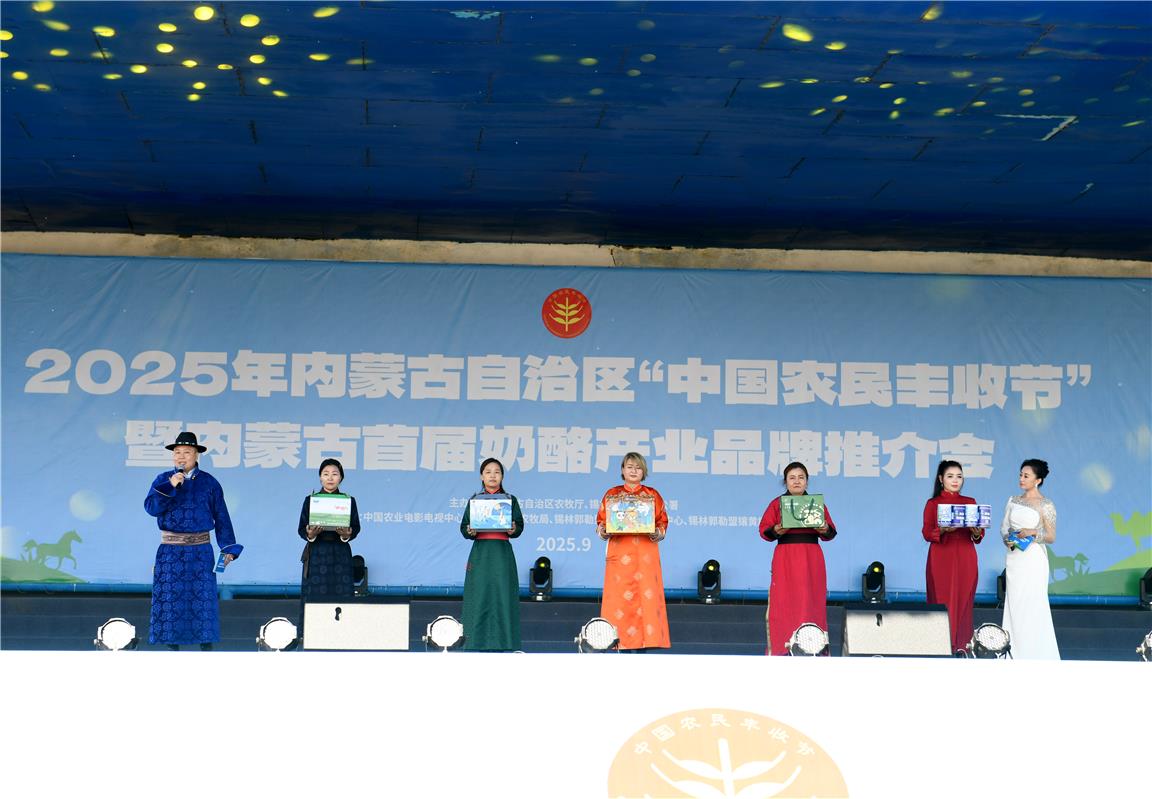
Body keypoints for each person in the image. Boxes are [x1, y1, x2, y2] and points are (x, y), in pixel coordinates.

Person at [144, 431, 242, 650]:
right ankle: (172, 648)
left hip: (200, 551)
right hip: (171, 551)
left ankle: (206, 648)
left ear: (197, 454)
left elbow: (221, 516)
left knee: (202, 600)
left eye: (187, 452)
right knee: (171, 601)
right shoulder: (162, 480)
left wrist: (228, 548)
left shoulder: (209, 482)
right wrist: (170, 486)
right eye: (177, 452)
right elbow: (151, 509)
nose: (181, 456)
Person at [758, 462, 837, 656]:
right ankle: (781, 650)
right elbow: (764, 531)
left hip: (811, 557)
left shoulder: (816, 505)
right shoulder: (777, 504)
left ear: (807, 482)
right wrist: (778, 529)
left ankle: (814, 649)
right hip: (786, 556)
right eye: (792, 478)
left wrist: (824, 528)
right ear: (785, 482)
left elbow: (831, 532)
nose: (797, 481)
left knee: (812, 601)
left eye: (801, 477)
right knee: (783, 602)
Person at [596, 452, 670, 651]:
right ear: (622, 470)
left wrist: (657, 532)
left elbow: (663, 522)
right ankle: (618, 643)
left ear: (644, 471)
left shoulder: (652, 495)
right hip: (620, 553)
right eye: (630, 467)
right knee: (619, 600)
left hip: (645, 554)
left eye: (638, 467)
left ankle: (646, 643)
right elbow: (601, 522)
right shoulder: (612, 494)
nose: (634, 471)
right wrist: (604, 530)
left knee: (646, 598)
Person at [459, 458, 524, 651]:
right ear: (482, 476)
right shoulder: (475, 500)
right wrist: (470, 531)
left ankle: (506, 644)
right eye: (488, 472)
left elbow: (520, 526)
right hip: (481, 554)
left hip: (502, 553)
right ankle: (474, 643)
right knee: (479, 596)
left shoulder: (510, 500)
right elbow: (463, 527)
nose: (492, 476)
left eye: (497, 472)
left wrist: (513, 529)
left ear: (502, 476)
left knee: (503, 596)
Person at [921, 460, 986, 655]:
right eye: (950, 476)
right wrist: (942, 530)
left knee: (964, 602)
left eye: (959, 476)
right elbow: (926, 533)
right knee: (941, 600)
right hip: (941, 556)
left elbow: (978, 536)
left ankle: (962, 647)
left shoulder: (970, 502)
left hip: (966, 555)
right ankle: (939, 646)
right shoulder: (933, 504)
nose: (955, 480)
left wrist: (976, 531)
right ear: (941, 479)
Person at [1000, 459, 1060, 659]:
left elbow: (1051, 536)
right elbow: (1004, 528)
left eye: (1026, 476)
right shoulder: (1013, 500)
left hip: (1034, 559)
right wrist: (1008, 539)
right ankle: (1013, 652)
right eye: (1020, 475)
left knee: (1033, 604)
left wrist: (1032, 533)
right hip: (1014, 557)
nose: (1021, 479)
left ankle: (1035, 653)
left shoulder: (1046, 504)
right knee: (1014, 604)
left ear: (1038, 480)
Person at [298, 458, 361, 614]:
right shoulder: (310, 500)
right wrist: (310, 534)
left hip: (341, 553)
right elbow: (301, 528)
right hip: (317, 553)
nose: (330, 478)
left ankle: (342, 628)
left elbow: (356, 527)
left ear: (341, 478)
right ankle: (311, 628)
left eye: (335, 474)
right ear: (320, 477)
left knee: (342, 597)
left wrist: (346, 535)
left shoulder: (349, 501)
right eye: (326, 474)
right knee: (314, 598)